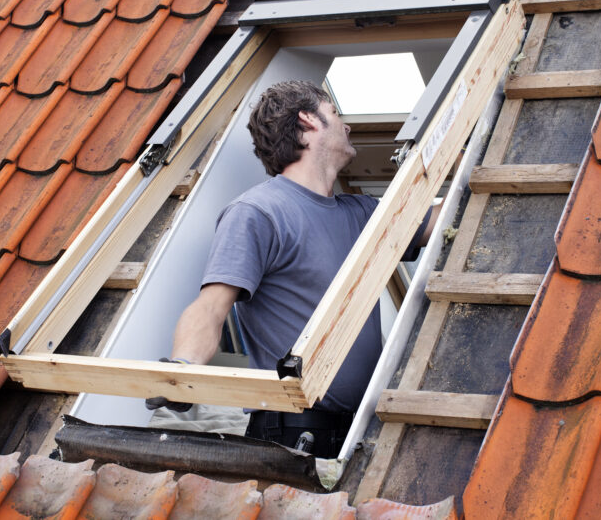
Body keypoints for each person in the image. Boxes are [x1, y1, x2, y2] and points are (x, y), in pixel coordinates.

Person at [147, 80, 437, 457]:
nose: (346, 126)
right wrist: (183, 369)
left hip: (360, 433)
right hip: (292, 437)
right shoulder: (258, 212)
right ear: (308, 121)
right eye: (335, 114)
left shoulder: (363, 214)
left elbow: (444, 216)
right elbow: (211, 307)